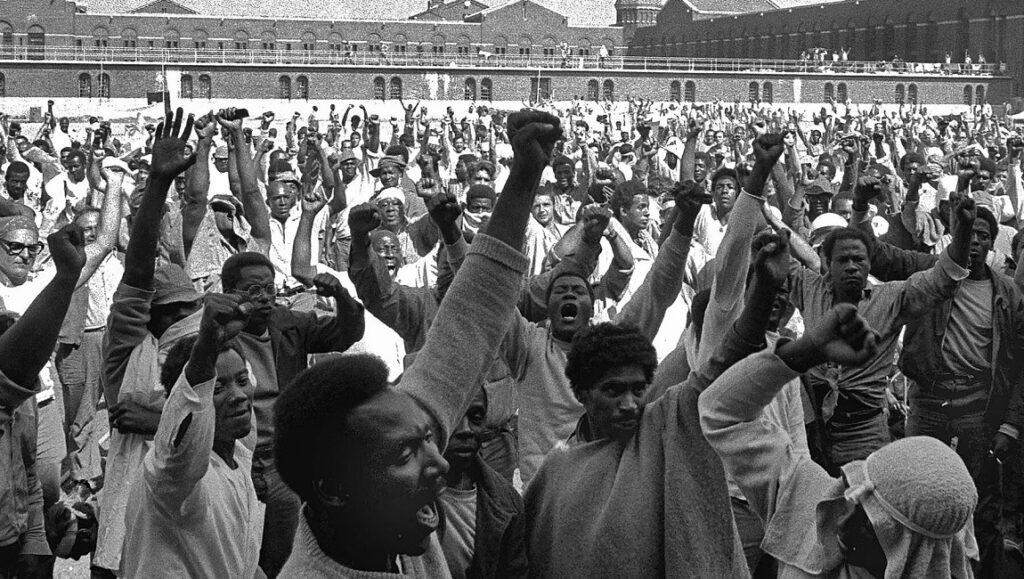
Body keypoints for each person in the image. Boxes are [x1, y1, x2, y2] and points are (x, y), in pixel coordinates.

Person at [272, 110, 559, 577]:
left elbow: (475, 311)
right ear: (333, 489)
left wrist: (525, 172)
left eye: (430, 440)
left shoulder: (392, 505)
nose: (442, 464)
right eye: (408, 454)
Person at [700, 303, 978, 578]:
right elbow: (720, 414)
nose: (844, 523)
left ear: (915, 551)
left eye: (872, 523)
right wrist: (805, 352)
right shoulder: (818, 504)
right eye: (855, 500)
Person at [95, 109, 204, 577]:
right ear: (153, 314)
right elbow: (137, 273)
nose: (187, 318)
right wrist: (156, 184)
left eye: (191, 308)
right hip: (125, 528)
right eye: (178, 310)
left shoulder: (207, 358)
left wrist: (159, 417)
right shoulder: (125, 350)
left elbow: (221, 428)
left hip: (187, 534)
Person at [221, 248, 365, 578]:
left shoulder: (287, 324)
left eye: (270, 288)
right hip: (239, 458)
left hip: (283, 458)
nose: (264, 298)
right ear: (229, 292)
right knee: (243, 551)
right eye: (253, 290)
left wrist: (341, 296)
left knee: (286, 549)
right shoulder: (218, 334)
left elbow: (346, 334)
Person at [122, 292, 261, 579]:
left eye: (242, 381)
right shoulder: (174, 474)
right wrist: (206, 345)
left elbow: (241, 561)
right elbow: (189, 410)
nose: (238, 396)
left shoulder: (239, 459)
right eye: (218, 388)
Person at [0, 224, 86, 579]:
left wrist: (36, 542)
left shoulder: (26, 405)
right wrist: (66, 277)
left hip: (15, 538)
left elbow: (28, 476)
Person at [438, 387, 527, 579]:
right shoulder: (396, 493)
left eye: (476, 417)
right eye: (452, 415)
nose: (465, 430)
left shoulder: (507, 505)